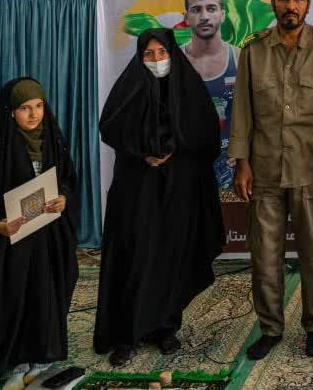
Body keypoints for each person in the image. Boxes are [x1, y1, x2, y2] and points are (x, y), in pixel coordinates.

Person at [229, 0, 313, 360]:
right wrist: (242, 163)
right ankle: (270, 328)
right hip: (263, 170)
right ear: (273, 2)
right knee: (265, 255)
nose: (290, 6)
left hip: (311, 170)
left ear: (308, 4)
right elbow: (242, 111)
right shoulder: (254, 49)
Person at [95, 29, 223, 365]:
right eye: (148, 55)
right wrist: (143, 152)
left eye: (161, 53)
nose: (156, 60)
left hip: (178, 189)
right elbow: (111, 126)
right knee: (134, 256)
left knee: (171, 256)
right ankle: (126, 335)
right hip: (136, 190)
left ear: (172, 54)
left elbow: (207, 134)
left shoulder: (188, 87)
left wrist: (174, 148)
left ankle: (165, 328)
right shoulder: (129, 88)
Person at [0, 78, 78, 387]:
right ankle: (15, 365)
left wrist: (63, 198)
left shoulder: (53, 140)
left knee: (44, 298)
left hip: (47, 240)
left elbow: (67, 179)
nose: (34, 114)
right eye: (25, 108)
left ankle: (40, 359)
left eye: (39, 106)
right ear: (11, 112)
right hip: (11, 248)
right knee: (14, 301)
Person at [180, 0, 240, 188]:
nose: (204, 16)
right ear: (186, 17)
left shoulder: (241, 58)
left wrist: (246, 151)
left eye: (211, 8)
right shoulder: (175, 61)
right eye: (196, 9)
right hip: (185, 165)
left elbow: (259, 113)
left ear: (222, 15)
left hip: (231, 167)